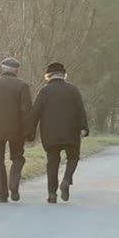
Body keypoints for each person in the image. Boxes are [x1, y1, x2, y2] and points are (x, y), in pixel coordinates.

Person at [26, 62, 89, 203]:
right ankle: (66, 180)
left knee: (52, 162)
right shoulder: (73, 90)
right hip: (71, 133)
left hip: (50, 134)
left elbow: (35, 112)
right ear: (64, 75)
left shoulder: (44, 91)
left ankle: (52, 194)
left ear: (48, 76)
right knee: (73, 157)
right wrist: (84, 128)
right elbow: (80, 110)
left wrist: (29, 132)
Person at [0, 57, 32, 203]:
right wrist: (28, 132)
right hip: (17, 130)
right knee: (18, 157)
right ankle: (14, 183)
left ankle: (1, 193)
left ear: (2, 68)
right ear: (16, 70)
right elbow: (26, 111)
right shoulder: (22, 86)